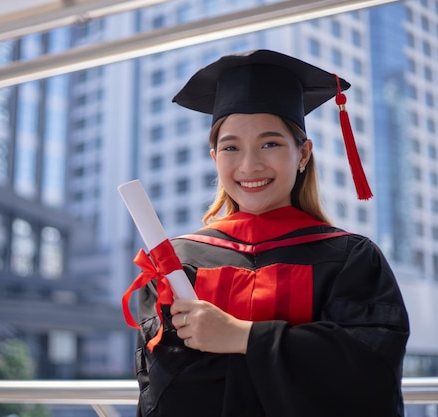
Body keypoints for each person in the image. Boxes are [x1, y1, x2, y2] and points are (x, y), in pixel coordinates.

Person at [123, 49, 410, 417]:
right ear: (215, 158)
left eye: (270, 143)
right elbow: (164, 392)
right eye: (230, 147)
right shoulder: (179, 262)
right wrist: (287, 356)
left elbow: (367, 374)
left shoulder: (352, 259)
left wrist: (242, 337)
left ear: (303, 154)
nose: (249, 165)